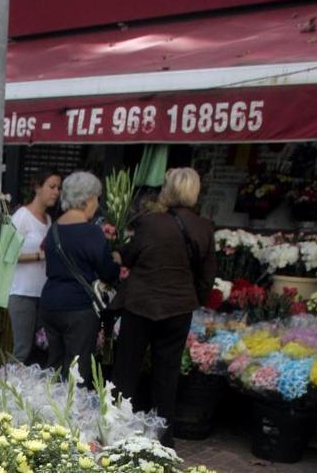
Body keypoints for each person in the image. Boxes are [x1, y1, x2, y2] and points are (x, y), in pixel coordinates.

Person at [111, 167, 216, 448]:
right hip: (178, 308)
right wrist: (194, 299)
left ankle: (116, 430)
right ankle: (162, 439)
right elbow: (207, 277)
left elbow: (130, 257)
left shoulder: (151, 222)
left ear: (168, 190)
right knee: (167, 376)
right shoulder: (204, 227)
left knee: (127, 371)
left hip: (141, 304)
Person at [39, 171, 120, 381]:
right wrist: (117, 261)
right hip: (79, 308)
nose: (97, 204)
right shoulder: (91, 232)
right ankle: (71, 412)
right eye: (97, 198)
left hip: (50, 304)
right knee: (77, 371)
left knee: (54, 366)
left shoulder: (54, 229)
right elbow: (108, 272)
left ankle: (47, 410)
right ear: (88, 199)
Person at [8, 169, 61, 364]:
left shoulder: (48, 220)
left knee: (38, 350)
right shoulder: (22, 216)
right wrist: (40, 255)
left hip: (43, 293)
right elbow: (7, 253)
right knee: (22, 349)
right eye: (52, 186)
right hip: (22, 292)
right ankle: (5, 388)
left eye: (59, 188)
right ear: (38, 187)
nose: (56, 192)